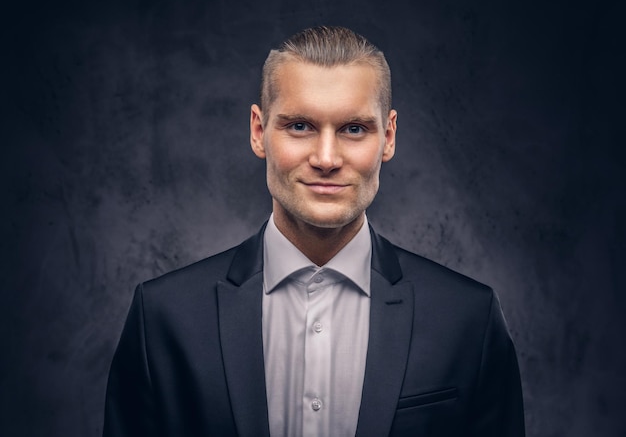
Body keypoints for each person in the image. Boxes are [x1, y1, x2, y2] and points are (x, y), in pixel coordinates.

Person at [103, 26, 525, 437]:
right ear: (258, 131)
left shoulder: (468, 318)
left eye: (354, 129)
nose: (326, 158)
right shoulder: (161, 317)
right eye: (300, 126)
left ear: (389, 137)